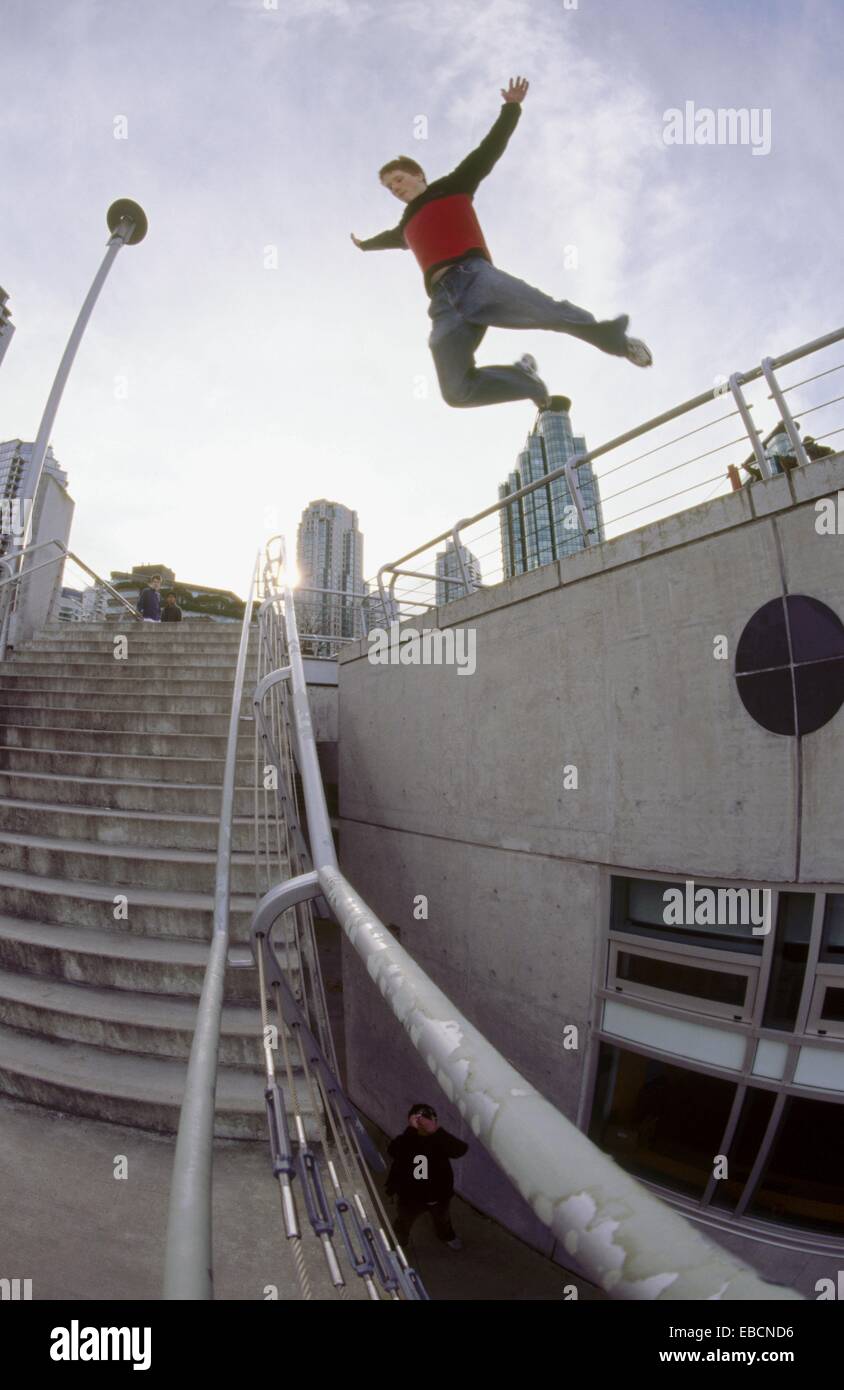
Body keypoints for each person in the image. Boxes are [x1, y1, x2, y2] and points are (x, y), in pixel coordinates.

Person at [351, 75, 652, 412]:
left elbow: (487, 151)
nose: (396, 188)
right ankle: (526, 380)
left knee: (549, 311)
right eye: (390, 188)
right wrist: (365, 245)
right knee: (456, 391)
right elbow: (389, 239)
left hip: (476, 279)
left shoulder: (454, 184)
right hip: (443, 305)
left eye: (399, 180)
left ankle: (617, 341)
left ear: (418, 174)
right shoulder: (404, 226)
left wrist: (510, 109)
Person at [385, 1103, 468, 1251]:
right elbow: (393, 1150)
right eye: (418, 1121)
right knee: (404, 1220)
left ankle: (446, 1236)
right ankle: (399, 1242)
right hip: (410, 1197)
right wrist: (411, 1130)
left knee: (443, 1219)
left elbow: (460, 1149)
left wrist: (436, 1131)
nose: (423, 1125)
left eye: (428, 1120)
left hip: (438, 1196)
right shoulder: (407, 1140)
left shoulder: (439, 1141)